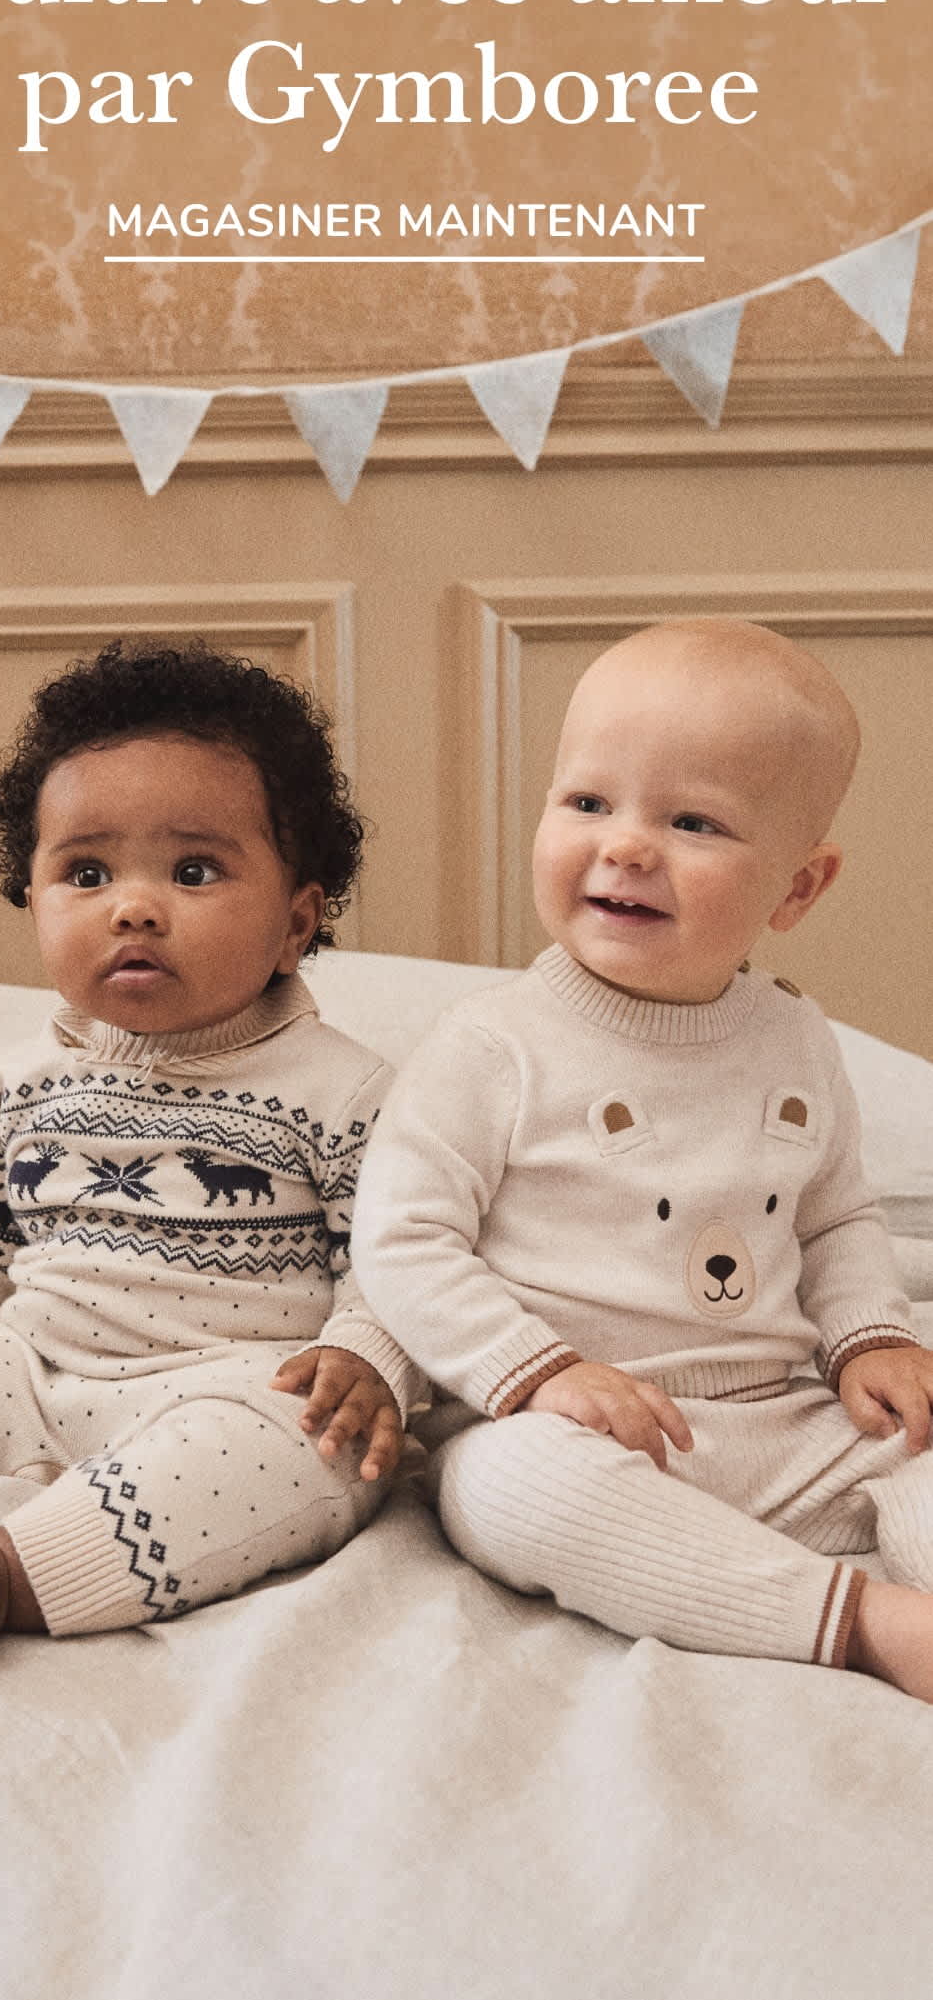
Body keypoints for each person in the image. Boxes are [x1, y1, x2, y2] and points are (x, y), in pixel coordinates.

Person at [352, 618, 933, 1702]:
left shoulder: (796, 1039)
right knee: (501, 1493)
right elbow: (400, 1238)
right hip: (579, 1429)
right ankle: (857, 1623)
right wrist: (541, 1374)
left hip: (788, 1418)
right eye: (586, 803)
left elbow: (837, 1219)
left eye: (693, 821)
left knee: (920, 1449)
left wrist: (871, 1341)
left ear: (797, 890)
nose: (623, 845)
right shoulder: (493, 1047)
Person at [0, 639, 412, 1682]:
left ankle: (4, 1573)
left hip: (231, 1387)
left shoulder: (347, 1093)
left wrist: (368, 1357)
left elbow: (399, 1264)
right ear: (33, 901)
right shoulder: (18, 1079)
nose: (133, 905)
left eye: (194, 871)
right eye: (86, 873)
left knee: (316, 1453)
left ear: (296, 921)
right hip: (26, 1368)